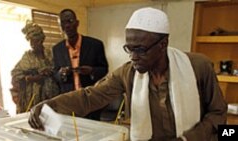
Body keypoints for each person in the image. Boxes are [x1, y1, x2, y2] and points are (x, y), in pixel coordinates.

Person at [29, 7, 227, 141]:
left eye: (140, 49)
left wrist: (187, 139)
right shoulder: (128, 73)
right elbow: (90, 97)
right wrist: (49, 105)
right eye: (129, 48)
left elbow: (218, 113)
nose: (133, 57)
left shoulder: (198, 67)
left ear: (163, 44)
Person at [52, 9, 108, 120]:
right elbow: (55, 74)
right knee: (70, 134)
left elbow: (104, 68)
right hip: (68, 102)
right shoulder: (57, 49)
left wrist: (92, 71)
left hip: (91, 101)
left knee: (92, 134)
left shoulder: (95, 45)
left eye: (70, 21)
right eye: (63, 23)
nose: (67, 25)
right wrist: (61, 73)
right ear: (60, 26)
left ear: (77, 23)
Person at [10, 20, 59, 113]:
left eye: (35, 41)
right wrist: (30, 78)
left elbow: (57, 70)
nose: (32, 44)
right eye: (30, 41)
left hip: (50, 95)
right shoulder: (27, 57)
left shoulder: (50, 54)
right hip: (32, 97)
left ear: (41, 40)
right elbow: (15, 74)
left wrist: (48, 73)